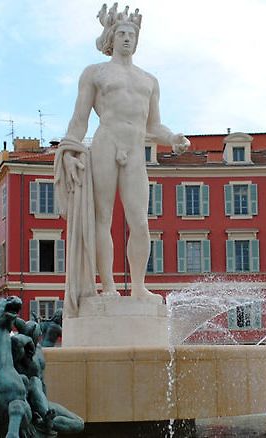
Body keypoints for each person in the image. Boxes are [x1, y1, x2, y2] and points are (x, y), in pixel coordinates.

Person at [55, 3, 189, 316]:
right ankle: (109, 286)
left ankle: (139, 285)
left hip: (135, 150)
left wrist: (171, 138)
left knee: (140, 222)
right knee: (103, 218)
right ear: (111, 38)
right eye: (122, 33)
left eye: (132, 34)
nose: (128, 38)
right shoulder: (95, 73)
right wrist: (71, 150)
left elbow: (153, 125)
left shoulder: (149, 80)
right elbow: (79, 119)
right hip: (105, 144)